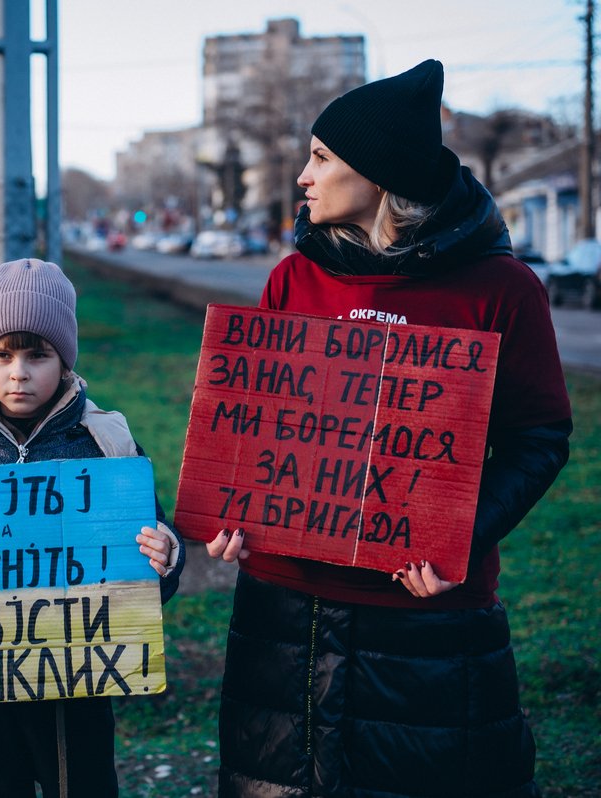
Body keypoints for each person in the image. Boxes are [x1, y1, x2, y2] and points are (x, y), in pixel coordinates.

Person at [204, 60, 571, 797]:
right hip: (285, 611)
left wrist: (458, 536)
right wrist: (233, 511)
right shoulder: (292, 278)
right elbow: (253, 430)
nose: (304, 178)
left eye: (321, 159)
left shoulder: (502, 289)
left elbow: (539, 439)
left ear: (377, 173)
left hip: (427, 616)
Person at [0, 257, 186, 797]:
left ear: (65, 359)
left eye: (38, 354)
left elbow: (153, 561)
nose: (19, 372)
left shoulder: (107, 446)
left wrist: (164, 557)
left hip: (74, 688)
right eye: (3, 354)